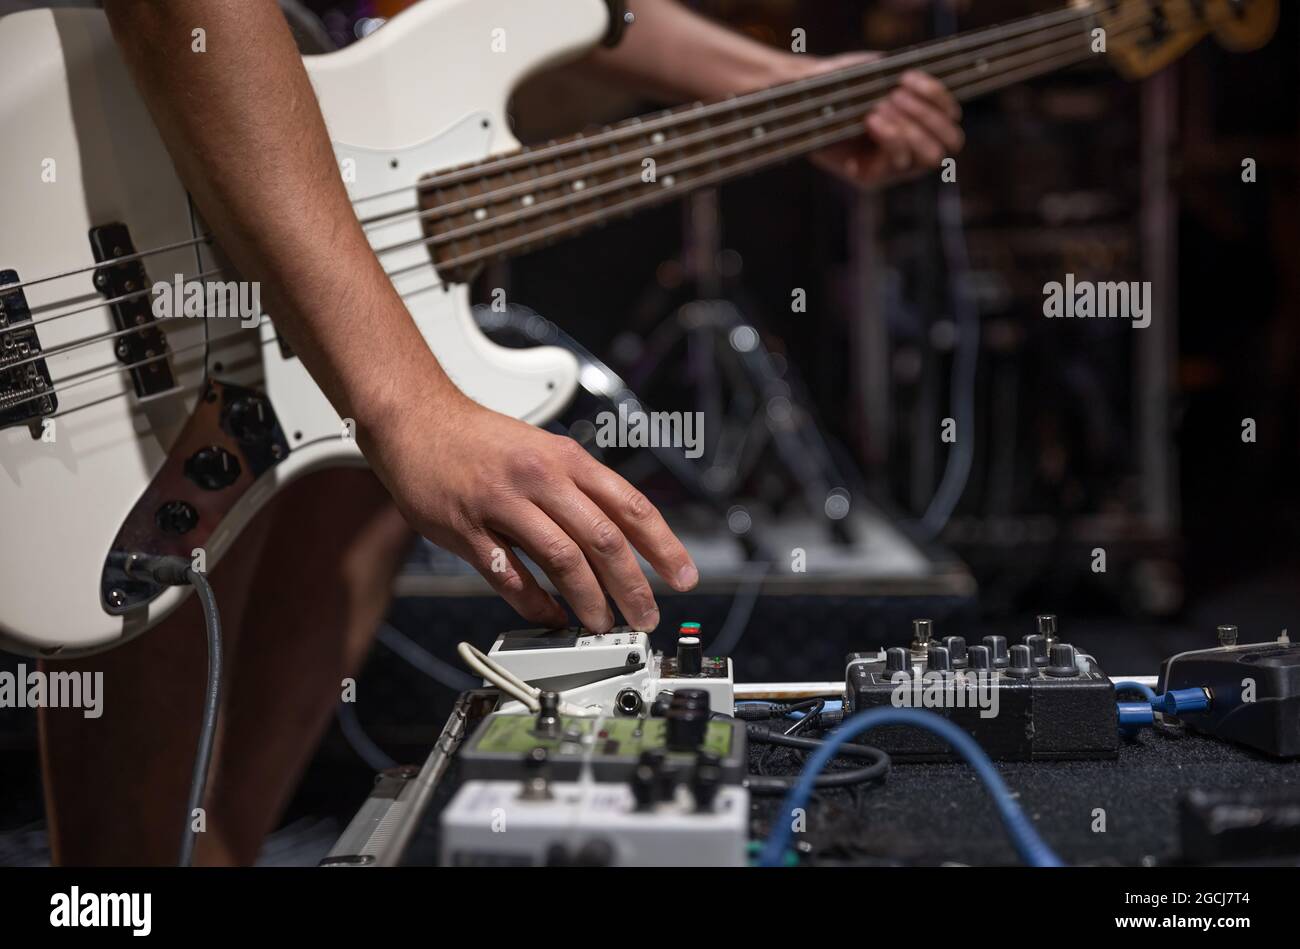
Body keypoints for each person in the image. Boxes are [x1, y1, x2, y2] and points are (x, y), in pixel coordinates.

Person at [37, 0, 964, 864]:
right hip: (148, 172)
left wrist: (774, 84)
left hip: (321, 193)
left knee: (217, 832)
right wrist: (409, 405)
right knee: (132, 855)